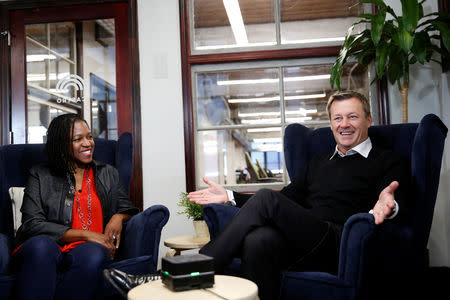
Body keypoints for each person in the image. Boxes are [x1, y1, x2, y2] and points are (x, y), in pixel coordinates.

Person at [105, 91, 411, 299]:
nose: (344, 125)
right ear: (330, 123)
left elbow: (394, 200)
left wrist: (388, 204)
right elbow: (287, 198)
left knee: (266, 198)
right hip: (307, 240)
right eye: (337, 118)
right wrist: (229, 196)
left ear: (368, 120)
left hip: (343, 242)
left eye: (353, 117)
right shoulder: (319, 163)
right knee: (258, 240)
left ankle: (170, 277)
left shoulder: (387, 160)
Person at [12, 114, 139, 300]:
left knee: (94, 253)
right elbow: (32, 224)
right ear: (62, 145)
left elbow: (127, 207)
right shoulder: (40, 174)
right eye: (78, 139)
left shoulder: (108, 173)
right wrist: (88, 234)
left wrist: (118, 217)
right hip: (48, 246)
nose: (88, 143)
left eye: (89, 136)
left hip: (87, 249)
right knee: (43, 247)